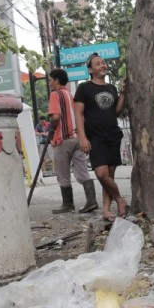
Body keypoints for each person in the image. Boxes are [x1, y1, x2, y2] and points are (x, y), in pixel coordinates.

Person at [74, 54, 128, 222]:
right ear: (90, 70)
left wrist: (123, 94)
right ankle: (120, 199)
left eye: (103, 63)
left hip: (113, 134)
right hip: (95, 137)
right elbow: (78, 113)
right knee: (101, 173)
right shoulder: (84, 88)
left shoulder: (111, 88)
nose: (102, 65)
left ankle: (106, 210)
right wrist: (82, 138)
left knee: (109, 175)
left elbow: (117, 111)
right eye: (98, 64)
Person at [47, 69, 97, 214]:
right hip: (77, 138)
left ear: (56, 80)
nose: (50, 83)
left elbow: (55, 117)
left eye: (50, 80)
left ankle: (68, 204)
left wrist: (52, 131)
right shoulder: (71, 95)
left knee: (62, 173)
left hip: (63, 139)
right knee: (82, 171)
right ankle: (91, 200)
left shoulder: (55, 95)